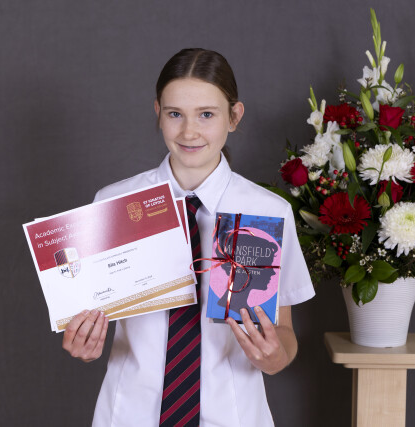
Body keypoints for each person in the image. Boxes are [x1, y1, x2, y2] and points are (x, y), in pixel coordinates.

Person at [61, 48, 315, 426]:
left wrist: (274, 356)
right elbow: (87, 320)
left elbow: (285, 334)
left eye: (206, 114)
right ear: (158, 113)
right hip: (131, 415)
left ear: (234, 116)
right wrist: (84, 343)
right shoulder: (114, 205)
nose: (189, 132)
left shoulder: (267, 212)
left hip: (233, 417)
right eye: (175, 114)